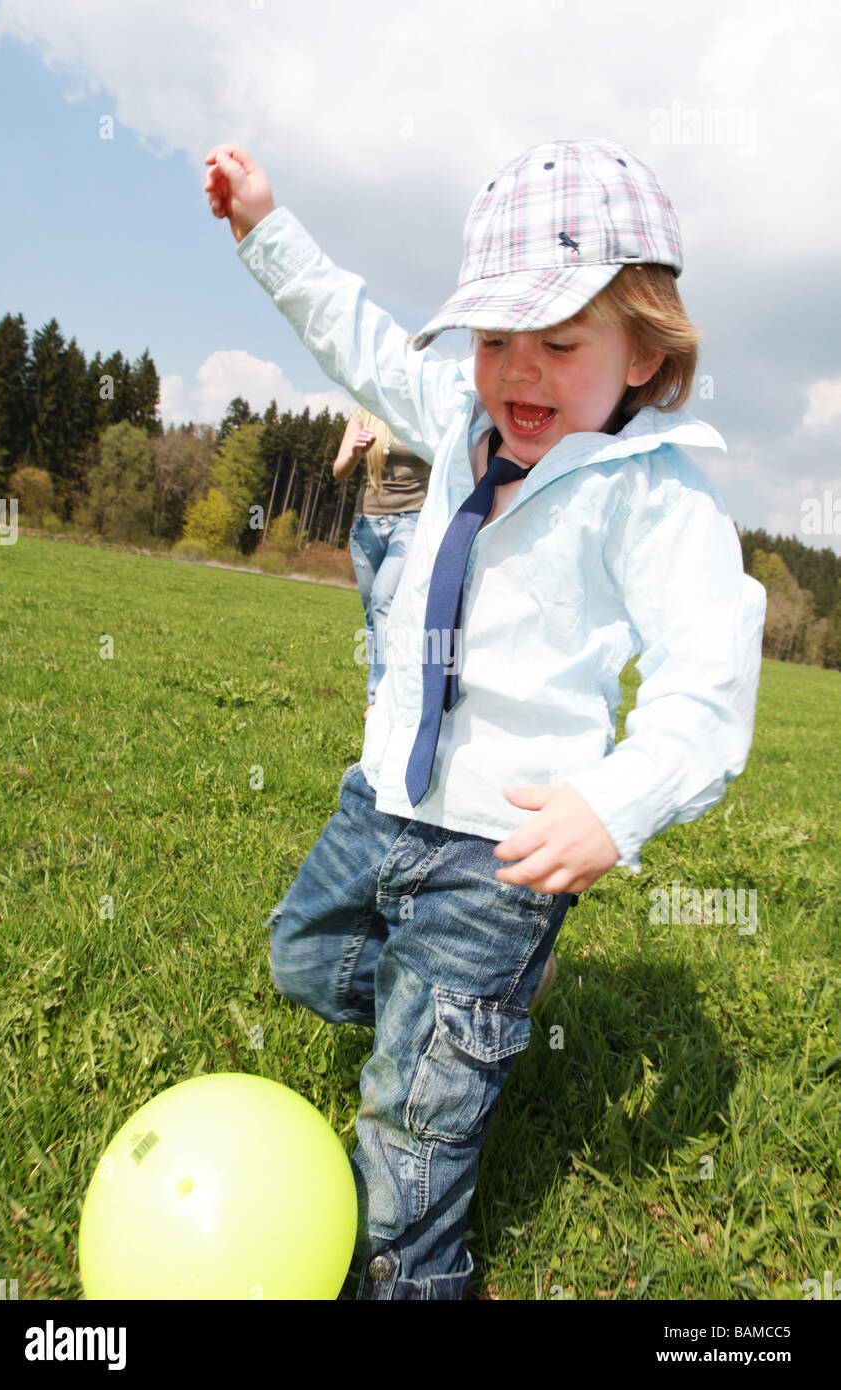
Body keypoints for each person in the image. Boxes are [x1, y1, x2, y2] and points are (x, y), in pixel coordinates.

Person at [203, 138, 766, 1300]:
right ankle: (475, 1013)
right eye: (496, 337)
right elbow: (353, 332)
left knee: (410, 1138)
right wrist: (263, 227)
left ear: (644, 353)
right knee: (301, 959)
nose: (519, 369)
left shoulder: (650, 498)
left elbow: (706, 682)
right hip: (382, 803)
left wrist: (613, 805)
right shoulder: (451, 421)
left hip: (500, 852)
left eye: (559, 343)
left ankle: (414, 1255)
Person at [333, 406, 430, 718]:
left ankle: (381, 699)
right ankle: (388, 692)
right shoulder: (365, 411)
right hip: (367, 524)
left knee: (383, 599)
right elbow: (339, 471)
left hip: (412, 519)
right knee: (373, 616)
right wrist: (355, 453)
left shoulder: (424, 408)